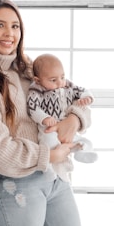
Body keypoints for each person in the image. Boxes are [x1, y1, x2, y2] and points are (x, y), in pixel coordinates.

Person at [0, 0, 91, 226]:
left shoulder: (28, 68)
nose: (9, 33)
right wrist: (49, 154)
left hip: (54, 178)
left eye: (15, 26)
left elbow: (74, 96)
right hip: (11, 183)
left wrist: (73, 120)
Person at [28, 53, 98, 182]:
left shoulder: (68, 85)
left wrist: (86, 97)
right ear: (38, 80)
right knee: (50, 144)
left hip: (67, 125)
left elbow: (82, 91)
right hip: (49, 127)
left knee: (86, 141)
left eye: (62, 76)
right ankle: (57, 169)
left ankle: (82, 152)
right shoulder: (37, 90)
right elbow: (33, 108)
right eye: (53, 80)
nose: (60, 82)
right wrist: (44, 118)